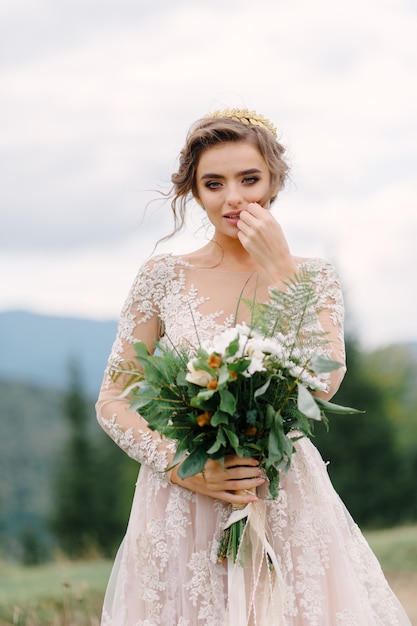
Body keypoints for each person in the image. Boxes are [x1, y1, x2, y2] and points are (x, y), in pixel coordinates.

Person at [96, 108, 411, 626]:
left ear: (273, 183)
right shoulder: (162, 277)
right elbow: (113, 400)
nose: (233, 197)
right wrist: (184, 467)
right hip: (182, 499)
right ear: (195, 193)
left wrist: (282, 270)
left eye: (249, 179)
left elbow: (323, 383)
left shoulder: (314, 276)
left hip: (284, 493)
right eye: (213, 183)